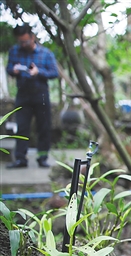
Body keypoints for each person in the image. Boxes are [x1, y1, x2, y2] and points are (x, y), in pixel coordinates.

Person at [5, 24, 59, 169]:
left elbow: (54, 72)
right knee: (21, 128)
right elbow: (8, 69)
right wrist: (14, 70)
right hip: (22, 93)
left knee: (44, 126)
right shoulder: (14, 52)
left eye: (26, 41)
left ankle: (42, 158)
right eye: (21, 42)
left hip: (41, 93)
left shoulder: (45, 53)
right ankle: (21, 159)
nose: (24, 44)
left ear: (32, 37)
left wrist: (38, 72)